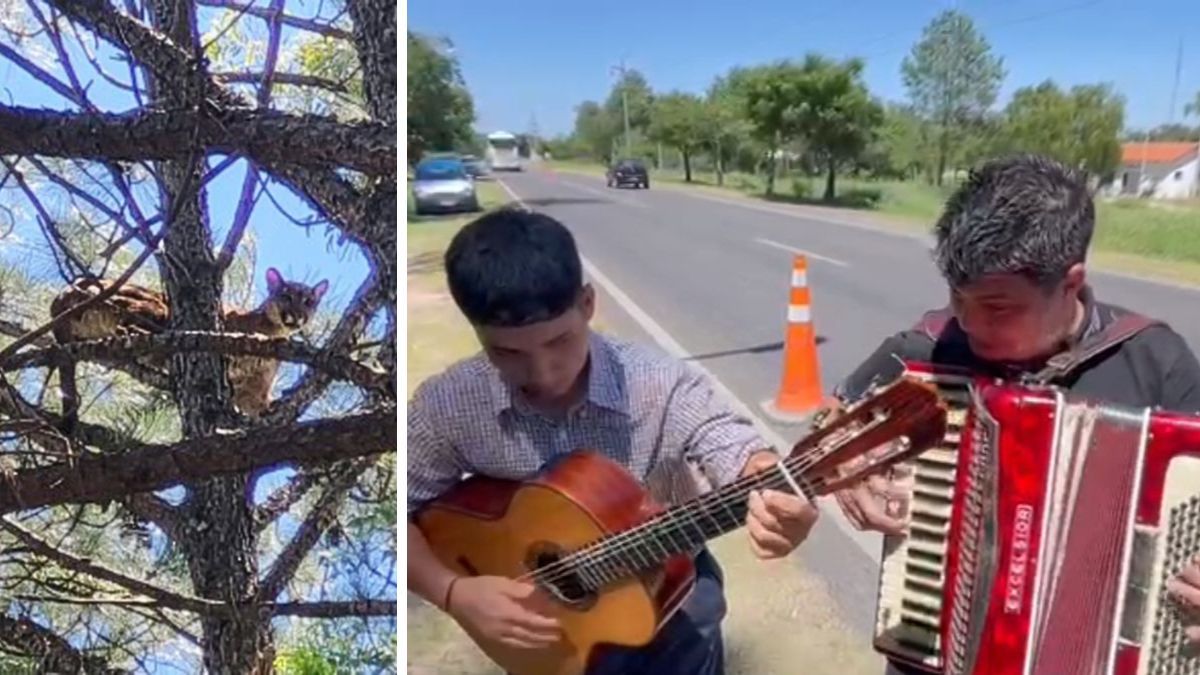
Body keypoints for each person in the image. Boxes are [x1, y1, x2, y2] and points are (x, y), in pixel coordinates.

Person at [825, 154, 1200, 672]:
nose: (967, 320)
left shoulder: (1157, 362)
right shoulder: (926, 353)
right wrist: (843, 466)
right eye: (957, 296)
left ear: (1070, 283)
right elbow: (828, 425)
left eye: (997, 307)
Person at [406, 206, 819, 674]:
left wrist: (769, 485)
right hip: (547, 631)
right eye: (506, 352)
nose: (542, 372)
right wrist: (453, 592)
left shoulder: (658, 383)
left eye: (559, 341)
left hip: (672, 607)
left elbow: (728, 441)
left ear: (587, 304)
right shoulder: (448, 405)